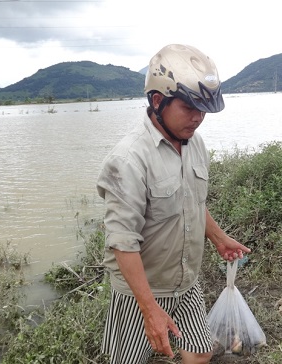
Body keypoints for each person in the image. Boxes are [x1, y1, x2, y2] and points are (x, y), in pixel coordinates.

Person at [96, 44, 251, 364]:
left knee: (200, 349)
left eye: (204, 110)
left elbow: (191, 201)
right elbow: (122, 243)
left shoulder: (195, 144)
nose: (198, 119)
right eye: (189, 107)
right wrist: (149, 308)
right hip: (140, 293)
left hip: (186, 282)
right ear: (157, 101)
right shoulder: (128, 160)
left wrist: (219, 237)